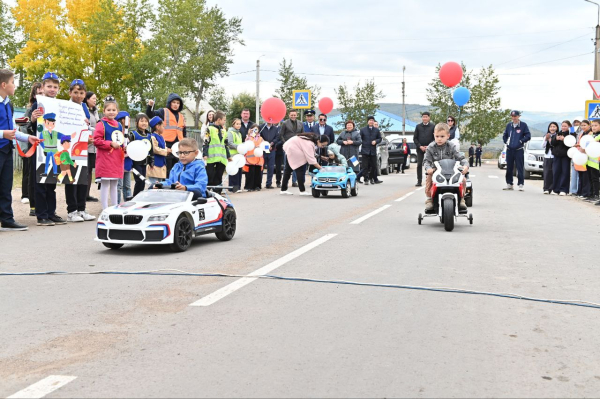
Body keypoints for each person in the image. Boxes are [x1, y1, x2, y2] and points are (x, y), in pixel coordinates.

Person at [0, 69, 41, 231]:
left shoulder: (8, 103)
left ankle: (7, 219)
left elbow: (13, 130)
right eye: (12, 82)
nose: (15, 85)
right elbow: (6, 132)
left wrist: (27, 138)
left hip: (7, 150)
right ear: (4, 85)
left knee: (5, 187)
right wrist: (2, 133)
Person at [29, 72, 69, 226]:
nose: (52, 89)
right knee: (41, 182)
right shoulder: (38, 104)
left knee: (51, 183)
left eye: (55, 87)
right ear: (43, 87)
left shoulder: (61, 105)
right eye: (49, 86)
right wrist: (33, 119)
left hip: (55, 150)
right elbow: (33, 127)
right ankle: (41, 215)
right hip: (40, 150)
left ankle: (51, 213)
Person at [65, 79, 94, 222]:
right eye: (75, 92)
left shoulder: (84, 107)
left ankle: (82, 209)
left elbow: (86, 126)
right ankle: (72, 210)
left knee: (82, 178)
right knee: (71, 179)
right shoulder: (65, 106)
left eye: (81, 93)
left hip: (83, 147)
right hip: (70, 147)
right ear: (70, 93)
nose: (78, 95)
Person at [423, 123, 469, 211]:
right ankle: (429, 199)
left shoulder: (451, 146)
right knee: (429, 178)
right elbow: (426, 161)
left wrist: (465, 166)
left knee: (462, 179)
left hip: (451, 170)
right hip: (435, 171)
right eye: (437, 136)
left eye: (442, 136)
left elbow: (461, 157)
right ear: (434, 135)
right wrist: (428, 168)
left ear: (448, 136)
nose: (439, 139)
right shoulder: (430, 147)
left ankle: (462, 199)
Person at [93, 96, 124, 210]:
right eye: (108, 110)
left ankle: (115, 206)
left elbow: (121, 141)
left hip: (116, 158)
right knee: (105, 184)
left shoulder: (119, 125)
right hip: (105, 158)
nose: (111, 112)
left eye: (113, 110)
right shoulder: (101, 124)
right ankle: (105, 208)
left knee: (115, 184)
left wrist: (123, 149)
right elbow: (96, 141)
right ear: (104, 111)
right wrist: (110, 144)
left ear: (117, 111)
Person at [146, 93, 186, 174]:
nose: (176, 105)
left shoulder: (181, 116)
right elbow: (150, 114)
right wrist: (150, 106)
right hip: (166, 144)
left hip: (178, 145)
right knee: (167, 169)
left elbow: (183, 131)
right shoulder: (163, 111)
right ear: (170, 103)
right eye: (174, 102)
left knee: (178, 169)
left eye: (178, 103)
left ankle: (175, 185)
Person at [20, 82, 42, 208]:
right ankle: (25, 195)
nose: (41, 95)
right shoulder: (30, 109)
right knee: (28, 172)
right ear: (34, 95)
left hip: (40, 145)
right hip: (29, 145)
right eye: (39, 93)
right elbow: (21, 125)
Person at [203, 110, 231, 192]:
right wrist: (205, 154)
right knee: (210, 177)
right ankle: (207, 193)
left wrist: (228, 156)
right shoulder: (209, 129)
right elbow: (206, 142)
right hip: (211, 159)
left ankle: (218, 193)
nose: (224, 122)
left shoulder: (224, 131)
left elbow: (225, 144)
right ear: (219, 120)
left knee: (218, 177)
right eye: (224, 120)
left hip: (221, 159)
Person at [503, 110, 531, 191]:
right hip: (509, 149)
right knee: (509, 167)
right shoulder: (509, 125)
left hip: (519, 150)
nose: (513, 118)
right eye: (512, 116)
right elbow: (505, 135)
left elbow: (528, 136)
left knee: (519, 167)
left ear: (519, 116)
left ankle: (521, 184)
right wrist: (506, 141)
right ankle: (509, 184)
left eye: (515, 116)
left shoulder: (523, 125)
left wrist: (521, 141)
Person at [128, 113, 151, 197]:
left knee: (143, 181)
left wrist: (151, 161)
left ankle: (139, 198)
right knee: (139, 181)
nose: (144, 123)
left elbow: (150, 149)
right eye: (142, 121)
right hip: (136, 162)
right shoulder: (133, 134)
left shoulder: (149, 135)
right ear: (137, 123)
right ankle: (135, 197)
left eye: (146, 121)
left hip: (144, 162)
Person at [279, 110, 303, 187]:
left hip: (297, 147)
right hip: (288, 147)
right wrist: (285, 143)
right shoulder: (285, 123)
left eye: (294, 115)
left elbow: (303, 135)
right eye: (291, 115)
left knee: (296, 164)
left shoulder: (300, 123)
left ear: (297, 115)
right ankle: (285, 182)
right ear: (289, 115)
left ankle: (294, 181)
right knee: (287, 165)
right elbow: (281, 135)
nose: (293, 116)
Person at [413, 111, 435, 187]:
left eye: (426, 117)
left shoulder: (433, 126)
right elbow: (415, 138)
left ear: (429, 118)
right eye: (423, 117)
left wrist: (428, 146)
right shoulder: (418, 126)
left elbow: (434, 138)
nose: (424, 118)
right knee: (419, 164)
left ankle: (430, 180)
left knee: (430, 164)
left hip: (430, 149)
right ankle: (419, 181)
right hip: (420, 149)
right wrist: (420, 146)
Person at [85, 91, 99, 202]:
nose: (95, 100)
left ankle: (87, 194)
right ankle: (83, 194)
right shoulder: (84, 110)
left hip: (95, 144)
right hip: (86, 144)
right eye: (93, 98)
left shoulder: (95, 111)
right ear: (87, 99)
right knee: (87, 169)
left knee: (90, 170)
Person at [146, 116, 169, 189]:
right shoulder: (152, 137)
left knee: (160, 185)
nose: (164, 128)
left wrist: (167, 150)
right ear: (157, 126)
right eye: (163, 126)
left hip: (161, 164)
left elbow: (164, 147)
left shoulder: (161, 137)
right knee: (154, 185)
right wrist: (166, 151)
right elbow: (155, 149)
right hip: (154, 164)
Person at [551, 121, 572, 196]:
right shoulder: (558, 133)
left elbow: (570, 144)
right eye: (562, 126)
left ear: (569, 126)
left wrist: (564, 140)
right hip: (557, 155)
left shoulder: (570, 135)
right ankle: (555, 189)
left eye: (565, 126)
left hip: (565, 156)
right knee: (556, 172)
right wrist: (556, 139)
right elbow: (552, 143)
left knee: (565, 172)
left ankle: (564, 189)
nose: (563, 127)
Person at [359, 116, 382, 185]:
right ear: (367, 121)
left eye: (372, 120)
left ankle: (371, 178)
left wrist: (376, 141)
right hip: (365, 150)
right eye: (370, 120)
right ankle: (366, 179)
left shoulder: (376, 130)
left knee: (374, 166)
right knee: (365, 166)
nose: (371, 121)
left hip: (373, 150)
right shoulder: (363, 130)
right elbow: (360, 139)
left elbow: (380, 138)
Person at [115, 111, 131, 203]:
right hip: (119, 162)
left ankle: (128, 203)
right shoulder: (117, 133)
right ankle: (116, 204)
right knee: (119, 186)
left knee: (127, 186)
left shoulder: (130, 134)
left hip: (128, 163)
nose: (128, 122)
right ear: (121, 121)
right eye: (126, 120)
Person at [243, 124, 264, 192]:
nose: (255, 131)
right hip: (250, 159)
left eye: (256, 129)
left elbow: (264, 145)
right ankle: (249, 186)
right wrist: (249, 135)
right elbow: (245, 144)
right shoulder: (248, 137)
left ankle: (257, 186)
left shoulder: (261, 138)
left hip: (258, 159)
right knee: (250, 173)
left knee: (258, 173)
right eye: (254, 129)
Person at [260, 120, 280, 189]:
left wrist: (271, 144)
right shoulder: (261, 127)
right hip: (263, 150)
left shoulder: (275, 128)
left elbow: (277, 138)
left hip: (272, 150)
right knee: (261, 167)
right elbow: (259, 137)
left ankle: (269, 183)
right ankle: (259, 183)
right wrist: (265, 144)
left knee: (271, 167)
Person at [575, 120, 592, 199]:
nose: (583, 127)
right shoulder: (581, 133)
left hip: (588, 157)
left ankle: (586, 193)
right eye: (582, 125)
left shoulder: (590, 134)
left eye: (585, 125)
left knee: (586, 176)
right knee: (581, 174)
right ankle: (580, 191)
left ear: (589, 125)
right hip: (581, 156)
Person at [227, 118, 243, 193]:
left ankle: (238, 186)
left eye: (240, 124)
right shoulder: (230, 132)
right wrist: (238, 147)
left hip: (239, 155)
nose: (239, 125)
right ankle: (232, 187)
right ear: (233, 124)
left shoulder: (239, 133)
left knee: (239, 171)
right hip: (233, 155)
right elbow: (230, 143)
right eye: (237, 124)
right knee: (233, 171)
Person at [586, 120, 600, 202]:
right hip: (590, 161)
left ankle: (596, 195)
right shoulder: (591, 136)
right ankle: (591, 194)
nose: (593, 127)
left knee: (596, 179)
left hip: (597, 162)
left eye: (596, 125)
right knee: (590, 178)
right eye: (592, 126)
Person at [542, 122, 558, 194]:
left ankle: (553, 189)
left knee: (554, 173)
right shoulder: (546, 135)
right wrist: (546, 139)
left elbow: (556, 145)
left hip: (555, 156)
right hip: (547, 156)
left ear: (557, 128)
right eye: (551, 127)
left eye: (554, 126)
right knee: (547, 173)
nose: (552, 128)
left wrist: (550, 140)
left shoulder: (558, 136)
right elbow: (542, 146)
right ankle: (546, 188)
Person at [570, 119, 582, 195]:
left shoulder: (583, 132)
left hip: (581, 152)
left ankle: (579, 190)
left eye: (578, 122)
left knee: (579, 172)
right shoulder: (571, 130)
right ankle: (573, 190)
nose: (576, 123)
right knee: (574, 171)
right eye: (575, 122)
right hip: (573, 152)